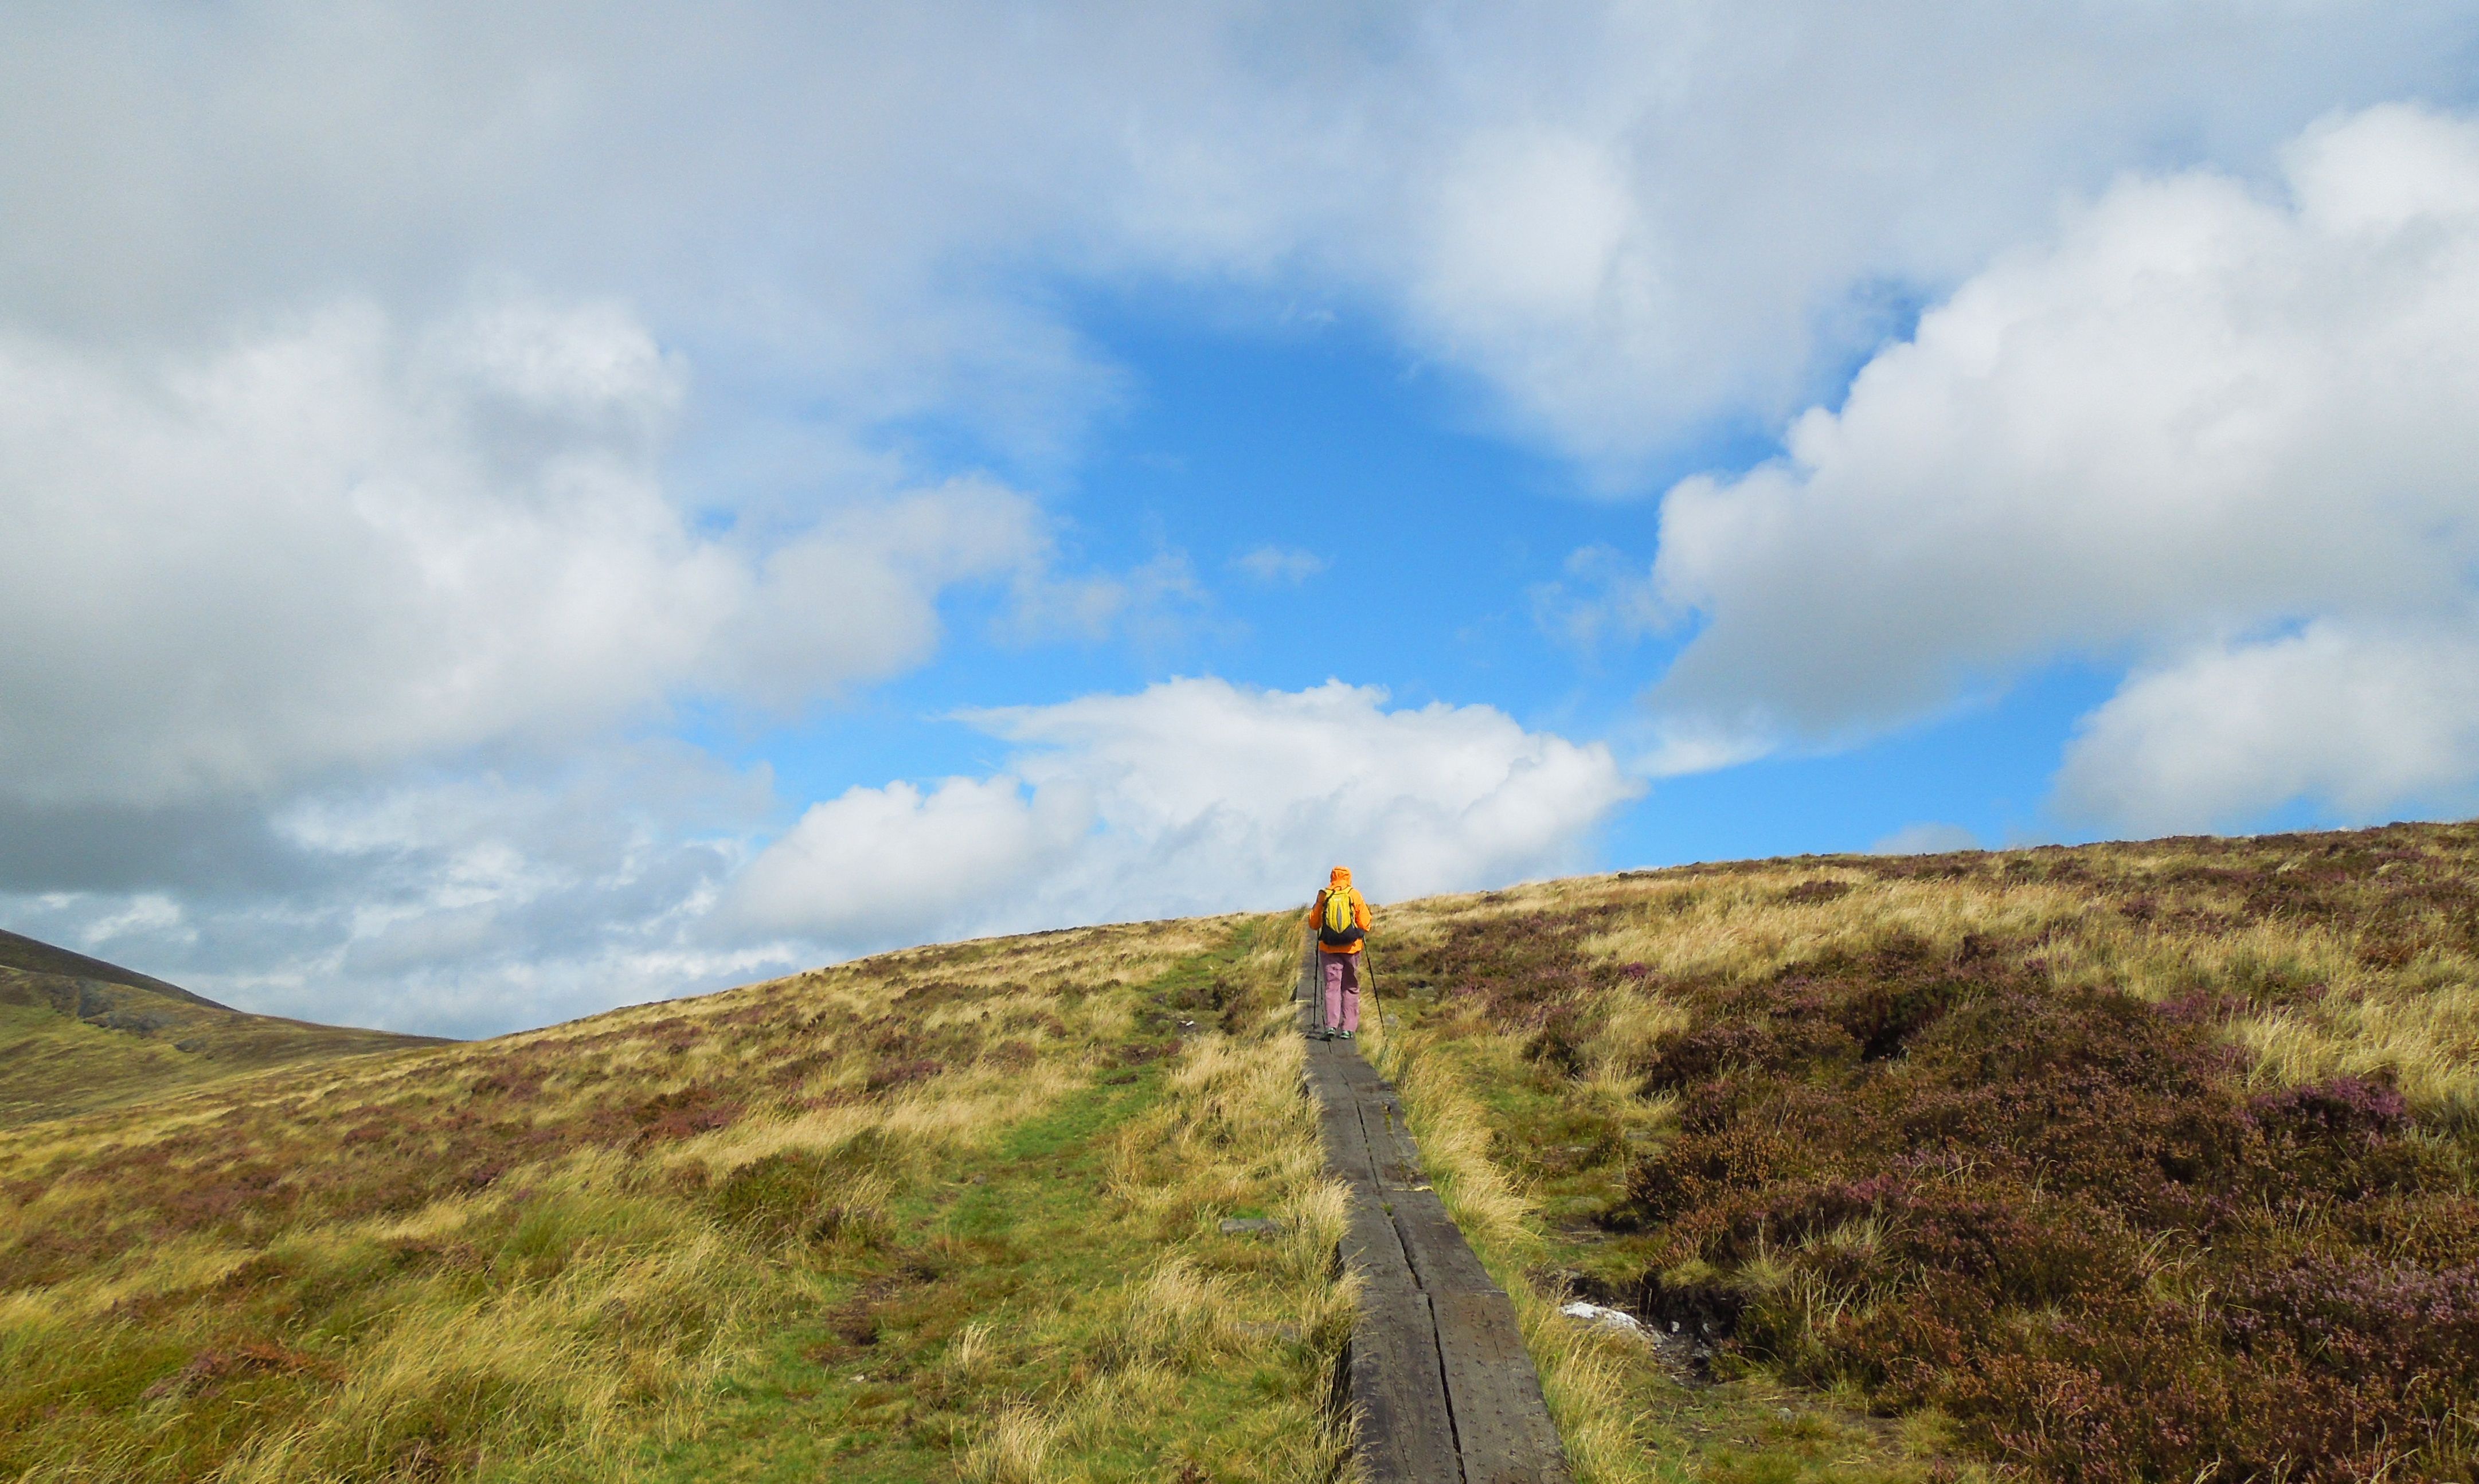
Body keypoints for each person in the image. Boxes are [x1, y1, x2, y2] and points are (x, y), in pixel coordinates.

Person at [1305, 865, 1373, 1040]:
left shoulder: (1324, 895)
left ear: (1332, 878)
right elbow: (1365, 923)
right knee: (1350, 987)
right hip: (1351, 948)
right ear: (1349, 877)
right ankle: (1348, 1028)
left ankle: (1331, 1026)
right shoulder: (1354, 894)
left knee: (1332, 986)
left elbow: (1314, 924)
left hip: (1329, 948)